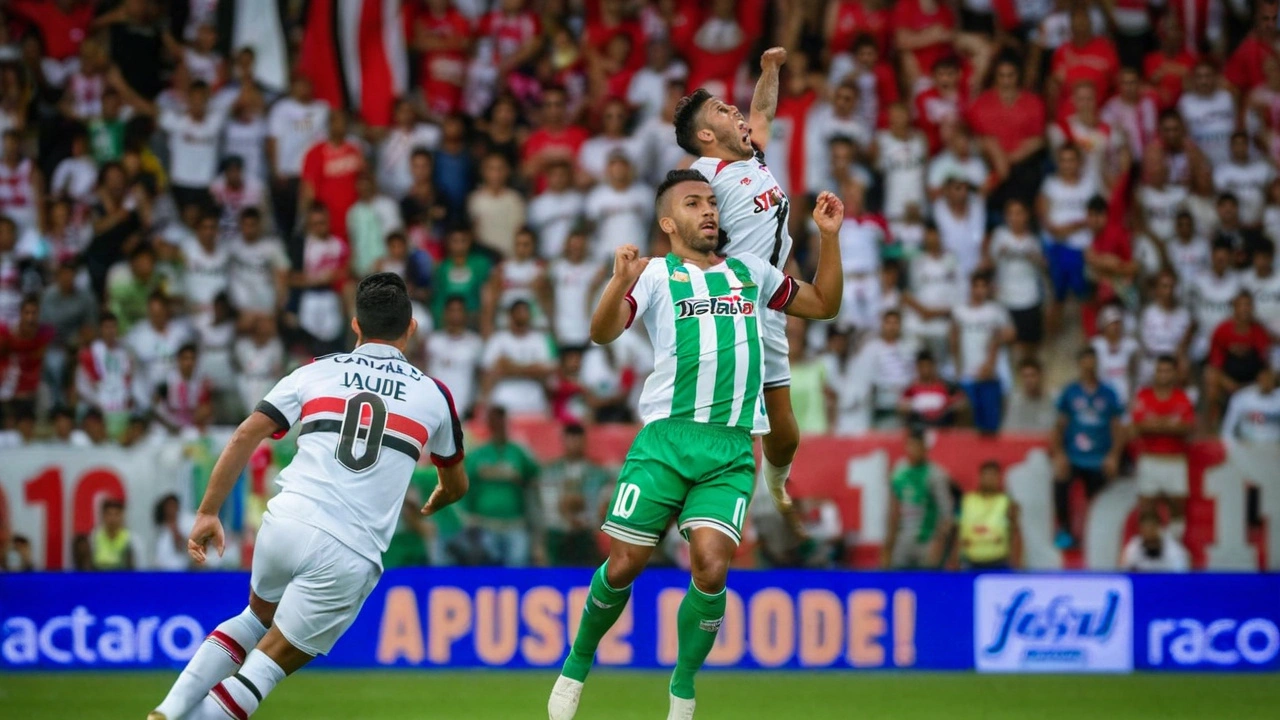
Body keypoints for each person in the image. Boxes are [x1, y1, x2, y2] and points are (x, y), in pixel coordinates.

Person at [547, 173, 845, 720]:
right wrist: (619, 280)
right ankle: (577, 663)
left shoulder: (750, 272)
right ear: (668, 223)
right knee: (623, 565)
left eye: (711, 202)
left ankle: (682, 690)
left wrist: (828, 236)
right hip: (665, 439)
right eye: (693, 203)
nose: (708, 210)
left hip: (730, 447)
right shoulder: (657, 274)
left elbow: (824, 304)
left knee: (711, 567)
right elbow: (602, 332)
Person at [148, 273, 468, 720]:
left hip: (287, 521)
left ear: (355, 325)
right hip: (348, 549)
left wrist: (207, 512)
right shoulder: (434, 394)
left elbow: (246, 433)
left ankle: (166, 711)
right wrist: (439, 497)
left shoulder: (315, 370)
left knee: (252, 619)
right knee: (265, 666)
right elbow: (455, 482)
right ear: (411, 328)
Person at [680, 47, 807, 530]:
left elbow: (763, 111)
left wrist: (770, 70)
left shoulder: (751, 155)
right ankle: (698, 501)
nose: (734, 109)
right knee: (724, 420)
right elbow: (681, 228)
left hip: (769, 307)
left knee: (784, 432)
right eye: (720, 109)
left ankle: (776, 482)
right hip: (731, 308)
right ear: (706, 136)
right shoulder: (705, 174)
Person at [1051, 347, 1126, 550]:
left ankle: (1098, 536)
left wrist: (1114, 456)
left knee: (1101, 499)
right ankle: (1064, 530)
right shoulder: (1070, 392)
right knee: (1060, 479)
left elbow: (1118, 428)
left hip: (1100, 458)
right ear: (1079, 364)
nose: (1088, 365)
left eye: (1092, 361)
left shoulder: (1108, 393)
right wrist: (1059, 454)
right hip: (1074, 456)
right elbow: (1059, 426)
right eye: (1084, 361)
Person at [461, 405, 543, 567]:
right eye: (494, 421)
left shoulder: (518, 452)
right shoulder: (478, 454)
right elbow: (466, 487)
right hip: (485, 524)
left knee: (517, 569)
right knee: (487, 571)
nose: (498, 425)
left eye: (501, 420)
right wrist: (468, 516)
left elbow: (534, 477)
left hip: (515, 524)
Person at [1131, 355, 1197, 540]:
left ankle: (1173, 548)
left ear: (1175, 373)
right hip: (1150, 460)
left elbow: (1186, 427)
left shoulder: (1182, 397)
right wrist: (1170, 423)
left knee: (1177, 507)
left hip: (1174, 461)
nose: (1163, 374)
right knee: (1147, 509)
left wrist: (1155, 423)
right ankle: (1149, 551)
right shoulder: (1144, 395)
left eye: (1167, 370)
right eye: (1160, 370)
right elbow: (1139, 426)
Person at [539, 423, 611, 566]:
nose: (573, 445)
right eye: (570, 440)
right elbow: (546, 503)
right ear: (563, 441)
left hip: (586, 533)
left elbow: (603, 503)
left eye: (577, 440)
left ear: (584, 442)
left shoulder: (598, 473)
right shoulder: (551, 471)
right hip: (558, 532)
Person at [950, 272, 1014, 435]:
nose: (979, 290)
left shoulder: (996, 311)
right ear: (970, 288)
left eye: (983, 286)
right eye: (976, 286)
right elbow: (954, 340)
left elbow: (1011, 334)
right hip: (967, 374)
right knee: (968, 425)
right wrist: (957, 369)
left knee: (991, 426)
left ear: (988, 289)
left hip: (990, 374)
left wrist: (995, 341)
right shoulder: (959, 311)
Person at [882, 427, 953, 569]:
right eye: (909, 445)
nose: (912, 450)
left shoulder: (936, 474)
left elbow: (947, 515)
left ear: (925, 449)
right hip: (903, 540)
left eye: (916, 446)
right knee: (899, 582)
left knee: (926, 584)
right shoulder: (899, 471)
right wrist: (889, 543)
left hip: (926, 540)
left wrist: (938, 544)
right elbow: (894, 509)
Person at [955, 460, 1021, 570]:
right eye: (986, 475)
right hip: (970, 561)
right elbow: (958, 531)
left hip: (998, 562)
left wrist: (1016, 561)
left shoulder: (1007, 502)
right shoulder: (967, 501)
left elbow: (1015, 532)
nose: (989, 479)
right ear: (980, 477)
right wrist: (954, 559)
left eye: (993, 475)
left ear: (999, 478)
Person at [1120, 511, 1190, 571]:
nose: (1148, 533)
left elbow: (1181, 573)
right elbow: (1124, 572)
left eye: (1151, 529)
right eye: (1145, 529)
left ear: (1158, 528)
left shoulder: (1173, 548)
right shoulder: (1134, 546)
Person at [1003, 357, 1058, 433]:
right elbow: (1008, 433)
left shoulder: (1054, 399)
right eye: (1025, 376)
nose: (1029, 380)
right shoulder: (1014, 402)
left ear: (1041, 376)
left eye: (1032, 375)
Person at [91, 498, 133, 570]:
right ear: (103, 516)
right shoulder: (95, 538)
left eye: (116, 514)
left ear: (122, 516)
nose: (112, 519)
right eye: (109, 514)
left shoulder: (130, 539)